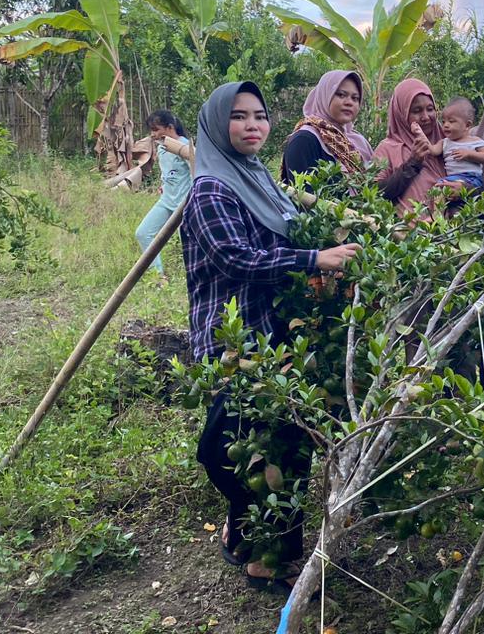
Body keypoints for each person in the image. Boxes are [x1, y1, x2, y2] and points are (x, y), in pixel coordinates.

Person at [181, 81, 360, 591]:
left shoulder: (258, 177)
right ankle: (263, 553)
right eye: (239, 117)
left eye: (259, 116)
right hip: (234, 340)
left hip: (276, 334)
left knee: (282, 445)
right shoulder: (211, 190)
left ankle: (259, 549)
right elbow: (237, 258)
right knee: (240, 447)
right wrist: (313, 259)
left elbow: (294, 225)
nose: (252, 125)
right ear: (219, 125)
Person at [280, 69, 373, 187]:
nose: (349, 102)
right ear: (325, 96)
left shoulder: (357, 141)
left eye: (355, 98)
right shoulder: (304, 140)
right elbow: (304, 198)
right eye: (341, 95)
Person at [374, 78, 448, 211]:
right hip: (406, 229)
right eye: (417, 111)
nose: (425, 117)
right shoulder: (387, 148)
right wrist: (412, 163)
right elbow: (375, 193)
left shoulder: (446, 141)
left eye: (430, 109)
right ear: (401, 114)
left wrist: (463, 187)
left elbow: (470, 175)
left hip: (451, 229)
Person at [135, 110, 191, 279]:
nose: (153, 134)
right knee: (143, 233)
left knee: (190, 246)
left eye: (156, 129)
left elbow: (197, 174)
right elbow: (169, 172)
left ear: (170, 127)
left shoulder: (186, 147)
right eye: (151, 130)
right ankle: (158, 277)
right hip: (167, 202)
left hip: (186, 205)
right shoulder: (161, 147)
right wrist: (163, 185)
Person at [431, 97, 484, 193]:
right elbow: (433, 150)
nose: (446, 125)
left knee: (443, 187)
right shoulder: (444, 142)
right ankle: (438, 208)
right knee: (437, 188)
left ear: (467, 125)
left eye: (451, 121)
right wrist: (421, 136)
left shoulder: (476, 141)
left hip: (472, 178)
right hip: (452, 178)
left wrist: (469, 154)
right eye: (443, 122)